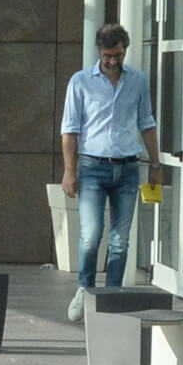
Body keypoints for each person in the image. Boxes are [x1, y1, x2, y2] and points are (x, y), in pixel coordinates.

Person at [60, 23, 161, 321]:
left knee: (120, 239)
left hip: (128, 168)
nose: (113, 61)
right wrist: (69, 171)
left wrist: (155, 165)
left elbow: (147, 123)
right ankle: (85, 288)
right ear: (99, 52)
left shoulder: (137, 80)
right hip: (92, 167)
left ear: (125, 50)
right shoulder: (80, 81)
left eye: (118, 55)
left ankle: (112, 296)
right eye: (107, 56)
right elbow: (69, 130)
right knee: (91, 235)